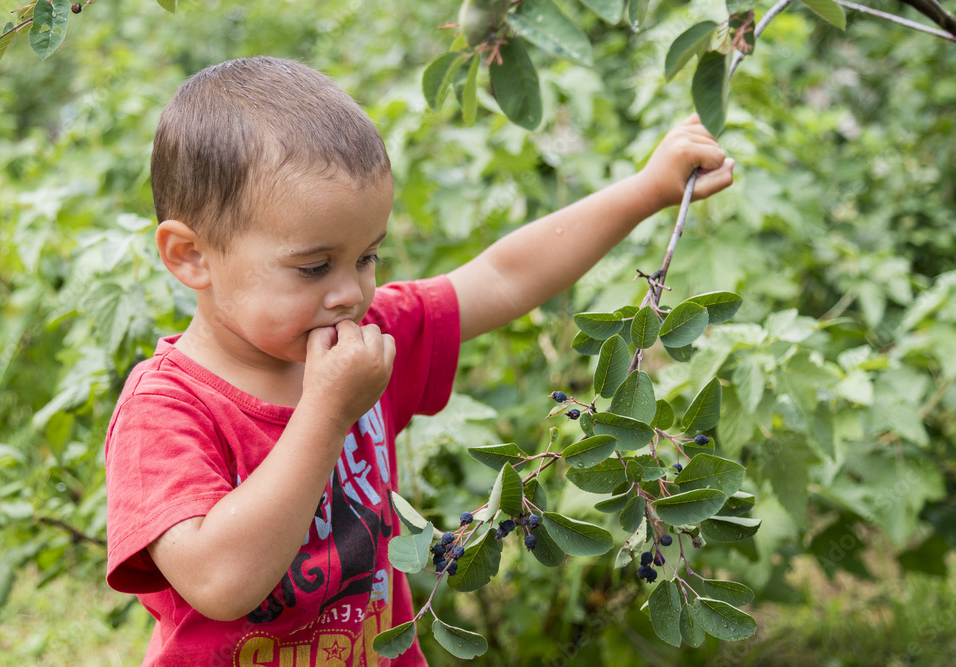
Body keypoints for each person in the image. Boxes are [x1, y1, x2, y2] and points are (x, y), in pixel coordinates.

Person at [104, 55, 734, 666]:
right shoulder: (166, 410)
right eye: (315, 266)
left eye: (367, 256)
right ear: (190, 256)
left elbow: (502, 278)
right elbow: (220, 581)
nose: (350, 291)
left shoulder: (365, 336)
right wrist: (328, 411)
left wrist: (647, 190)